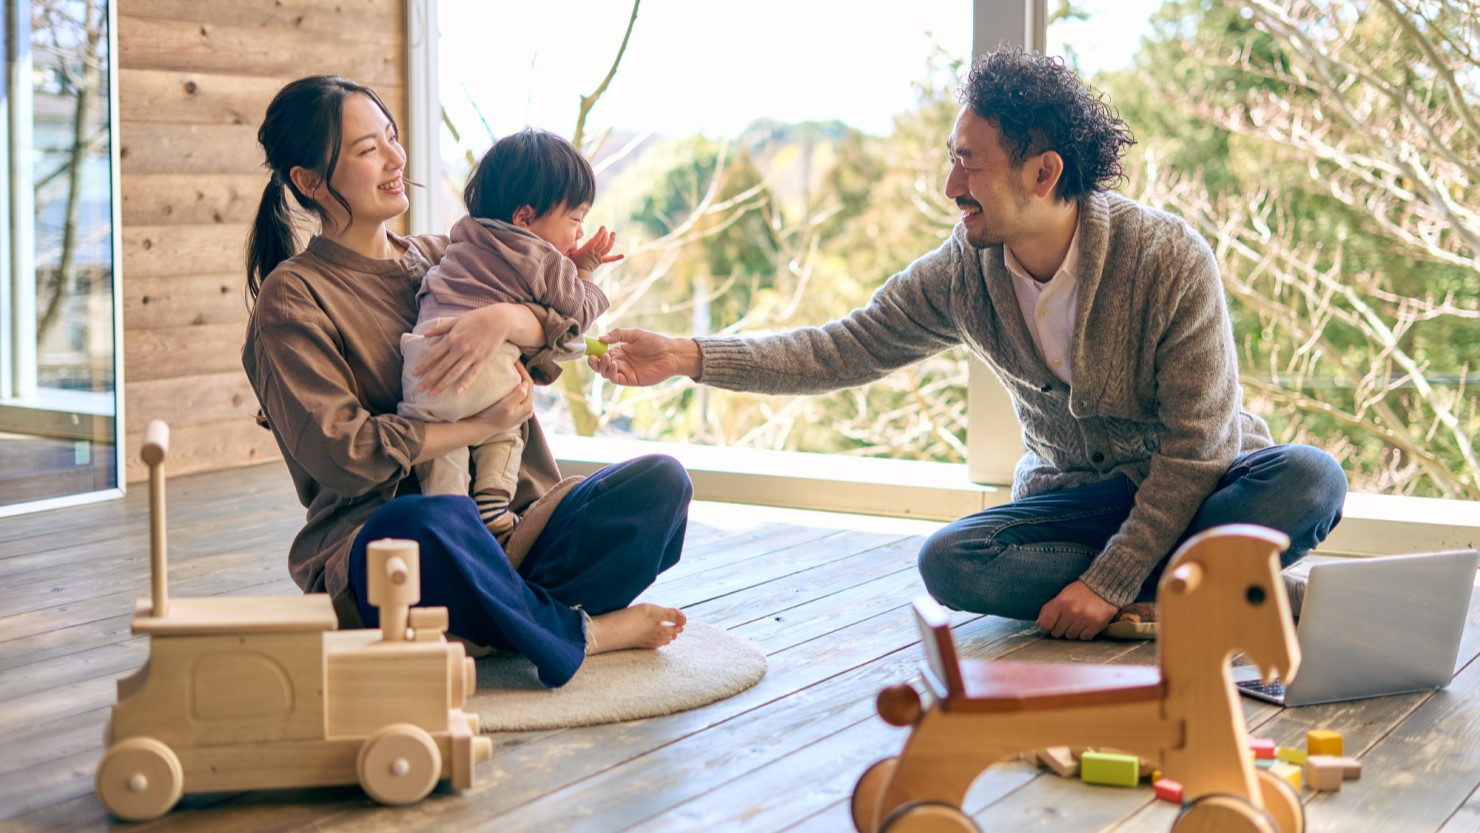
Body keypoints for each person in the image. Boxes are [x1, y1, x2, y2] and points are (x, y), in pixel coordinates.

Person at [588, 49, 1347, 641]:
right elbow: (841, 348)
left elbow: (1198, 448)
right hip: (1076, 506)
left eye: (969, 162)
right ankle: (1216, 585)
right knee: (950, 562)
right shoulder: (963, 273)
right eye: (952, 157)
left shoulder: (1165, 258)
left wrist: (1106, 581)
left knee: (1311, 480)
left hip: (1197, 485)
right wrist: (688, 356)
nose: (950, 185)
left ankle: (1138, 594)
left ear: (1044, 173)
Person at [242, 75, 689, 688]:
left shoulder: (441, 254)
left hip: (513, 529)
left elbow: (551, 347)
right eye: (368, 149)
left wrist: (504, 319)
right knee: (426, 521)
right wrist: (481, 425)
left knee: (661, 485)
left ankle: (490, 622)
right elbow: (345, 455)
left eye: (392, 137)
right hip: (398, 550)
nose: (395, 158)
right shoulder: (293, 298)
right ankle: (577, 633)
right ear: (310, 181)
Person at [399, 129, 619, 538]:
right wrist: (585, 269)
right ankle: (492, 505)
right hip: (480, 367)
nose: (578, 234)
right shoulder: (541, 256)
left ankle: (448, 515)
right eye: (575, 220)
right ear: (524, 219)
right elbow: (577, 314)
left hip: (423, 369)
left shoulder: (465, 236)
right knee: (506, 428)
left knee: (444, 450)